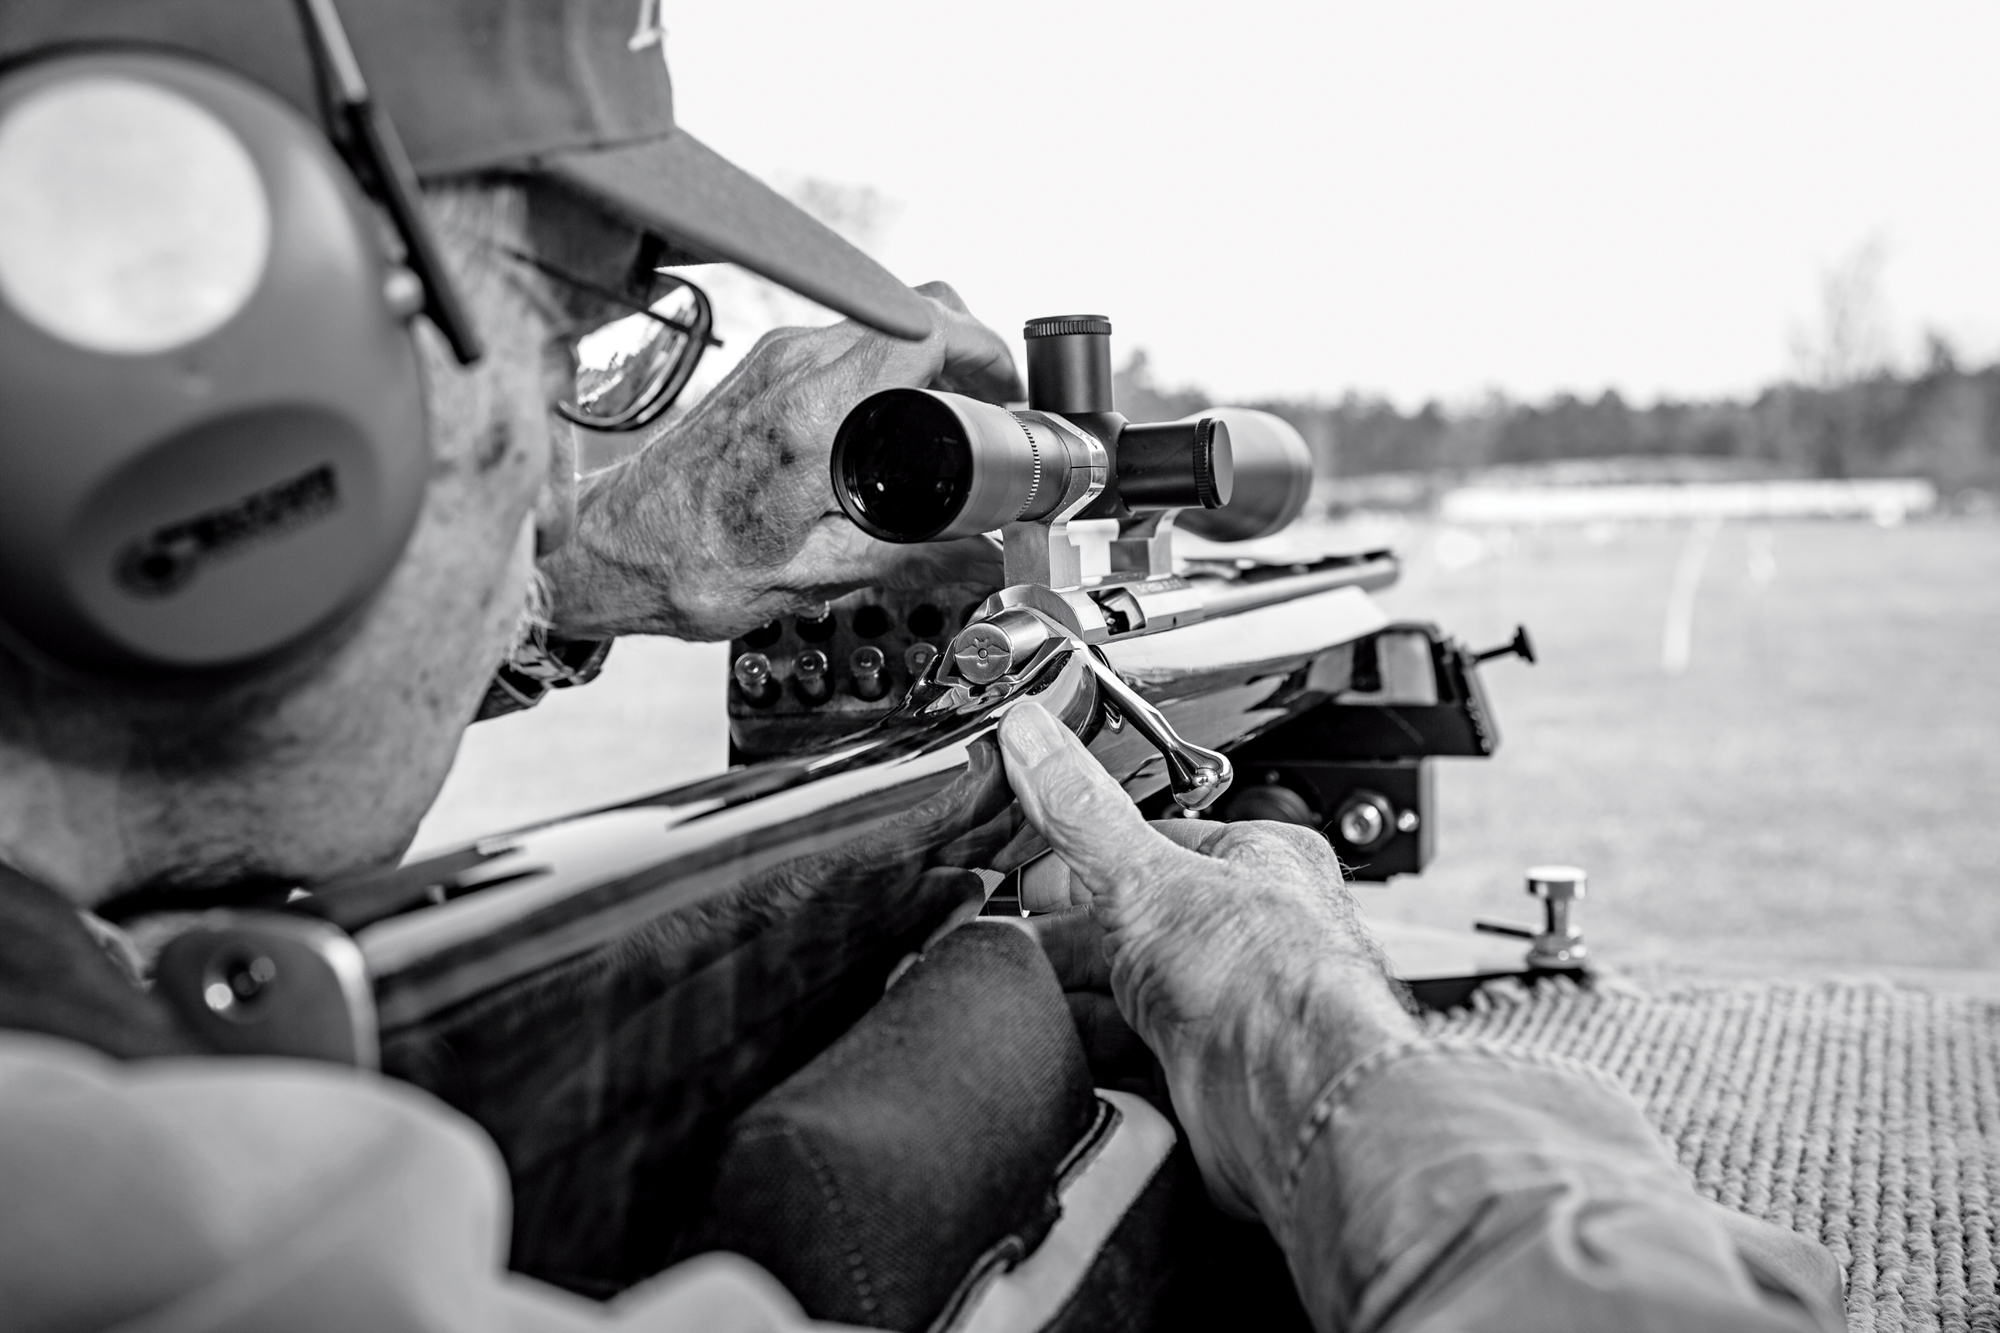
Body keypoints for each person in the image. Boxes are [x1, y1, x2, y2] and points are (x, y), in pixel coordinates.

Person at [0, 3, 1842, 1331]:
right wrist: (1316, 1050)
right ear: (215, 384)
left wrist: (586, 563)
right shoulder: (132, 1218)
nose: (564, 468)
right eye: (572, 349)